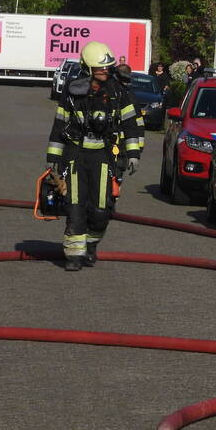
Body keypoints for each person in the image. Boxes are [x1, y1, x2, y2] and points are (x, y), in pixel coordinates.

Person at [45, 42, 144, 272]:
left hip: (105, 157)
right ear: (87, 68)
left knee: (101, 209)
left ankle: (90, 245)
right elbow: (59, 125)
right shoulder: (72, 92)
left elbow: (132, 125)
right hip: (75, 156)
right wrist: (53, 157)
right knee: (75, 205)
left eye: (108, 67)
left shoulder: (119, 92)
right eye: (100, 68)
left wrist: (133, 154)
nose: (105, 71)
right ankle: (73, 255)